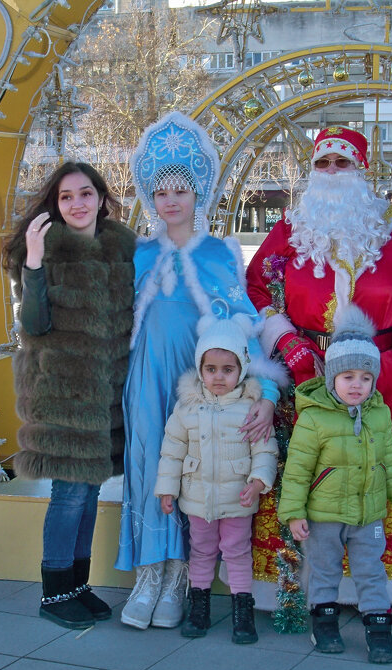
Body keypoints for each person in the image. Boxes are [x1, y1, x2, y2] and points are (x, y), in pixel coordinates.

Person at [246, 127, 392, 630]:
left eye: (341, 164)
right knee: (309, 470)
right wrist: (285, 340)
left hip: (385, 374)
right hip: (307, 372)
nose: (331, 173)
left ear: (362, 171)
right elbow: (256, 287)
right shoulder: (290, 230)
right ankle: (302, 585)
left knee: (384, 468)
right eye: (322, 163)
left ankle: (383, 586)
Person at [117, 111, 284, 630]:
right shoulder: (139, 253)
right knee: (151, 466)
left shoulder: (217, 253)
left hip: (200, 387)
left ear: (197, 196)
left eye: (181, 191)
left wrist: (263, 389)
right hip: (147, 379)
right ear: (150, 197)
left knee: (195, 466)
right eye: (161, 192)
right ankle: (149, 573)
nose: (171, 201)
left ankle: (182, 578)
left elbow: (244, 325)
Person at [4, 162, 136, 629]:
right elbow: (34, 323)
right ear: (55, 205)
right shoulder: (43, 250)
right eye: (66, 197)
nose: (77, 204)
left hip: (105, 394)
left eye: (85, 193)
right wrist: (35, 262)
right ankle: (54, 591)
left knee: (90, 489)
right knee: (69, 493)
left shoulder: (122, 247)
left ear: (101, 197)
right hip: (62, 393)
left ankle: (78, 585)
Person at [279, 305, 392, 663]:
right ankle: (324, 623)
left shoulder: (378, 414)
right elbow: (297, 470)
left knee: (371, 570)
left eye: (365, 378)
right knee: (324, 569)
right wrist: (294, 512)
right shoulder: (314, 418)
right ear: (332, 378)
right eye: (348, 377)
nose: (357, 385)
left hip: (367, 515)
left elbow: (390, 460)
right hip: (324, 516)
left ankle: (378, 630)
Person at [154, 315, 278, 644]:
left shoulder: (250, 407)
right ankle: (199, 607)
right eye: (211, 369)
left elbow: (265, 451)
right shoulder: (187, 408)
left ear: (241, 370)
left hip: (238, 498)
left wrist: (258, 482)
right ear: (200, 369)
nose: (219, 377)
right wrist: (167, 488)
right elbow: (172, 450)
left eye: (228, 369)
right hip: (197, 498)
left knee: (237, 552)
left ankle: (242, 611)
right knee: (202, 552)